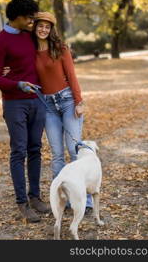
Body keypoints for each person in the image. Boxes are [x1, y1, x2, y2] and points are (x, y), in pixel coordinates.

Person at [0, 0, 50, 223]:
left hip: (37, 101)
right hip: (15, 103)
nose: (33, 21)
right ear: (18, 17)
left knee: (35, 148)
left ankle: (35, 197)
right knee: (19, 151)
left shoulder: (30, 36)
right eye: (30, 17)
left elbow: (47, 42)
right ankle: (22, 203)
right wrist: (17, 84)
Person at [33, 12, 93, 213]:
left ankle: (86, 199)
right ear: (34, 27)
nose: (43, 29)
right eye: (40, 26)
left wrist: (79, 101)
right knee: (57, 154)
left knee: (74, 150)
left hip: (67, 101)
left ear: (51, 29)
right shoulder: (30, 51)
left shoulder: (60, 48)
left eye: (47, 26)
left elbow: (71, 75)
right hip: (48, 106)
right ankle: (62, 198)